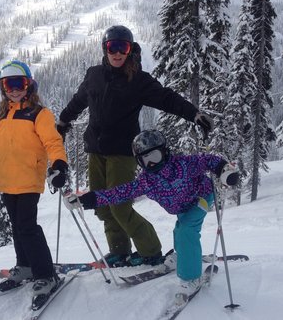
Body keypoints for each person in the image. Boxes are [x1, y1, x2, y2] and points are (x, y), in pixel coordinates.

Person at [56, 25, 213, 267]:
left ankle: (151, 251)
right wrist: (63, 121)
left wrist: (194, 114)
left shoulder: (138, 80)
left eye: (123, 47)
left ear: (130, 50)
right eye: (112, 47)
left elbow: (166, 98)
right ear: (105, 49)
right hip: (95, 151)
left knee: (119, 205)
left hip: (121, 153)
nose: (117, 53)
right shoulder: (94, 75)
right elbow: (78, 101)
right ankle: (119, 250)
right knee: (102, 205)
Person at [64, 129, 239, 304]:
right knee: (180, 229)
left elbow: (208, 160)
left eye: (154, 156)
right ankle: (181, 256)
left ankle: (191, 278)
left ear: (164, 151)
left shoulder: (184, 165)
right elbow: (118, 193)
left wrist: (223, 169)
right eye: (144, 160)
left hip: (201, 197)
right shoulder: (146, 181)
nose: (151, 164)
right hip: (181, 207)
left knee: (187, 230)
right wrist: (86, 200)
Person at [0, 60, 68, 303]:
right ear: (2, 88)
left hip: (30, 178)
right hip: (7, 180)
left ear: (28, 84)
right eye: (7, 84)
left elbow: (53, 142)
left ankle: (45, 273)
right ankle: (25, 266)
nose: (13, 89)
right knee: (16, 226)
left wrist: (59, 164)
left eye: (18, 83)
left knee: (27, 226)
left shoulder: (39, 114)